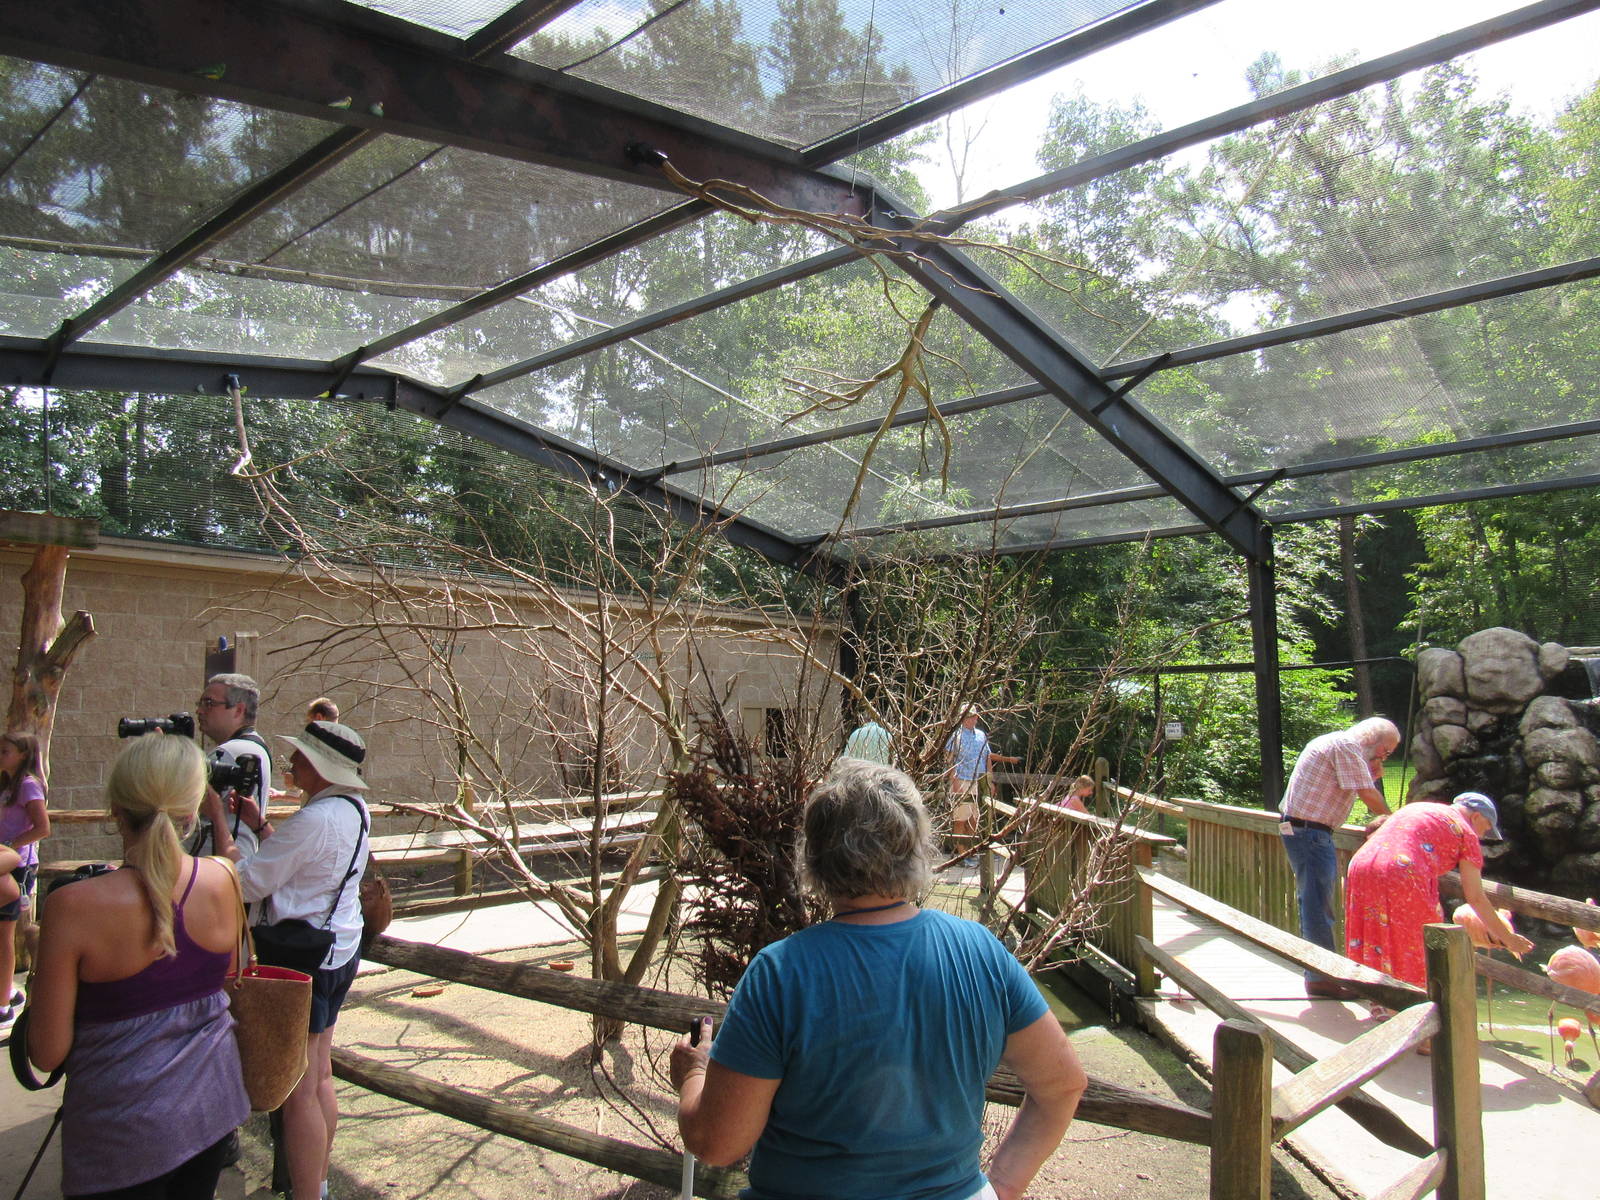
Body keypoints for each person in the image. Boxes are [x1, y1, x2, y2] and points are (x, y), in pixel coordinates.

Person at [671, 759, 1086, 1200]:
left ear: (814, 856)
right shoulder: (980, 951)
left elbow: (717, 1144)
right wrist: (1000, 1187)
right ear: (916, 847)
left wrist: (695, 1074)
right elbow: (1062, 1085)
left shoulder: (781, 973)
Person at [26, 734, 249, 1199]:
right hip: (211, 1110)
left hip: (120, 1133)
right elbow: (230, 976)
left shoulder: (73, 906)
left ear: (115, 809)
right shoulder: (223, 878)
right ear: (193, 813)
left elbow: (46, 1053)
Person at [212, 721, 371, 1200]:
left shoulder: (315, 819)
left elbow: (245, 881)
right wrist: (262, 826)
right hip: (337, 947)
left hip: (306, 958)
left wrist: (220, 823)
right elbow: (304, 861)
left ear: (319, 768)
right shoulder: (352, 810)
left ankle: (307, 1193)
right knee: (319, 1074)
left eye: (301, 758)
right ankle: (315, 1184)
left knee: (301, 1083)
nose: (293, 764)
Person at [1345, 792, 1533, 997]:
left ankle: (1377, 1001)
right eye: (1486, 828)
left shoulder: (1419, 808)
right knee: (1417, 941)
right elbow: (1475, 897)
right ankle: (1411, 1005)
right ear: (1476, 817)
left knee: (1375, 934)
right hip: (1401, 871)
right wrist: (1509, 939)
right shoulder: (1466, 833)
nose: (1481, 836)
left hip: (1360, 866)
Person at [1277, 716, 1398, 998]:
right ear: (1374, 740)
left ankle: (1319, 974)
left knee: (1314, 903)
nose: (1385, 757)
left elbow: (1361, 784)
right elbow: (1369, 796)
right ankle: (1322, 978)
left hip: (1304, 830)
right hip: (1311, 834)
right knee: (1318, 906)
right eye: (1387, 751)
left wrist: (1372, 770)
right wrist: (1397, 823)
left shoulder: (1333, 742)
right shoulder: (1346, 746)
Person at [192, 673, 274, 862]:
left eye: (209, 703)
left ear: (238, 710)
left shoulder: (231, 752)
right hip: (237, 859)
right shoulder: (255, 746)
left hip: (218, 864)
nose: (200, 711)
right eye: (200, 703)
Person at [0, 729, 50, 1022]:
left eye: (6, 751)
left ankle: (4, 1005)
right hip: (3, 857)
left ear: (23, 755)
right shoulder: (7, 783)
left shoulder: (28, 785)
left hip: (17, 864)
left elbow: (43, 828)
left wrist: (11, 845)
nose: (0, 756)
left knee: (5, 933)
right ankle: (8, 991)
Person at [946, 707, 992, 860]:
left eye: (975, 716)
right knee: (960, 819)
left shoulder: (981, 736)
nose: (973, 719)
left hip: (978, 782)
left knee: (974, 819)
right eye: (969, 716)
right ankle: (961, 855)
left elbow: (988, 758)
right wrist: (954, 781)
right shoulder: (955, 736)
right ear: (963, 718)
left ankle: (969, 852)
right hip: (962, 780)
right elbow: (950, 760)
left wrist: (990, 781)